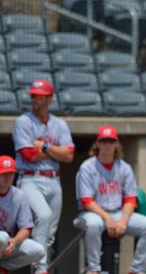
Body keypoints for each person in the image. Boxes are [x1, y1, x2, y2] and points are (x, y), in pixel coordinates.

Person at [73, 125, 146, 274]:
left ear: (117, 143)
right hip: (91, 214)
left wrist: (124, 220)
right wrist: (107, 218)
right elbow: (87, 201)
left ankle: (136, 270)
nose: (107, 145)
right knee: (94, 224)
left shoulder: (124, 168)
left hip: (118, 213)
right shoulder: (87, 167)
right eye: (104, 141)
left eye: (111, 141)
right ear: (97, 143)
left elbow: (130, 199)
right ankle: (94, 268)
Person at [12, 79, 75, 274]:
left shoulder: (60, 124)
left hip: (54, 179)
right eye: (33, 96)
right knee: (44, 216)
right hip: (30, 179)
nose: (35, 100)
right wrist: (57, 151)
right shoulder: (23, 122)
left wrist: (45, 146)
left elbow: (70, 155)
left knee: (49, 235)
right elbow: (28, 154)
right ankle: (40, 268)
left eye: (39, 96)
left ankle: (38, 266)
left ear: (49, 99)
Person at [0, 155, 45, 273]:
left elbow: (26, 228)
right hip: (3, 239)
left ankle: (4, 268)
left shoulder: (19, 195)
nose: (7, 177)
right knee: (2, 237)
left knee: (38, 251)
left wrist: (13, 242)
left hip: (8, 243)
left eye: (11, 174)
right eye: (4, 174)